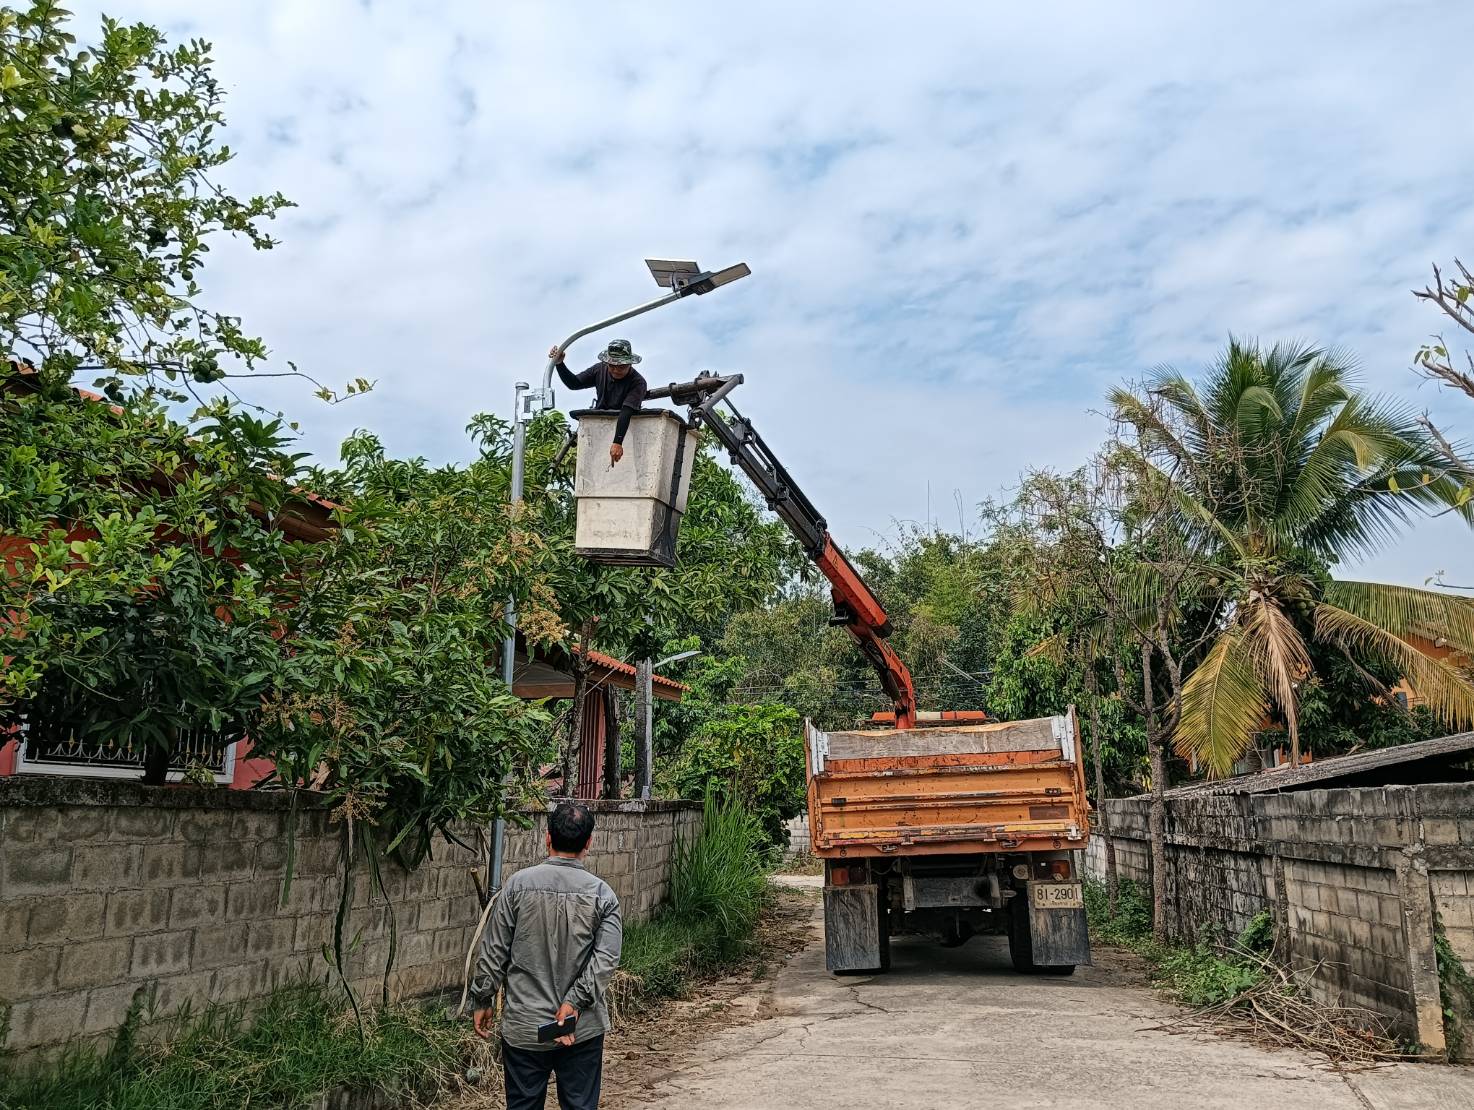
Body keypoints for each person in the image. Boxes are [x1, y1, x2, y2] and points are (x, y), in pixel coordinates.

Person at [471, 801, 623, 1110]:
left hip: (525, 1027)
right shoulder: (603, 896)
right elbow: (605, 961)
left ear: (547, 838)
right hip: (580, 1029)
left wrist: (483, 998)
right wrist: (574, 1002)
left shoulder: (516, 887)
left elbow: (493, 949)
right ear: (589, 843)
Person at [549, 339, 648, 465]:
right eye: (612, 366)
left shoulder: (638, 382)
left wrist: (618, 442)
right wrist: (559, 364)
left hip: (624, 428)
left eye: (621, 367)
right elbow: (574, 383)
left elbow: (626, 410)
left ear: (630, 364)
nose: (616, 370)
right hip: (598, 425)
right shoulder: (599, 369)